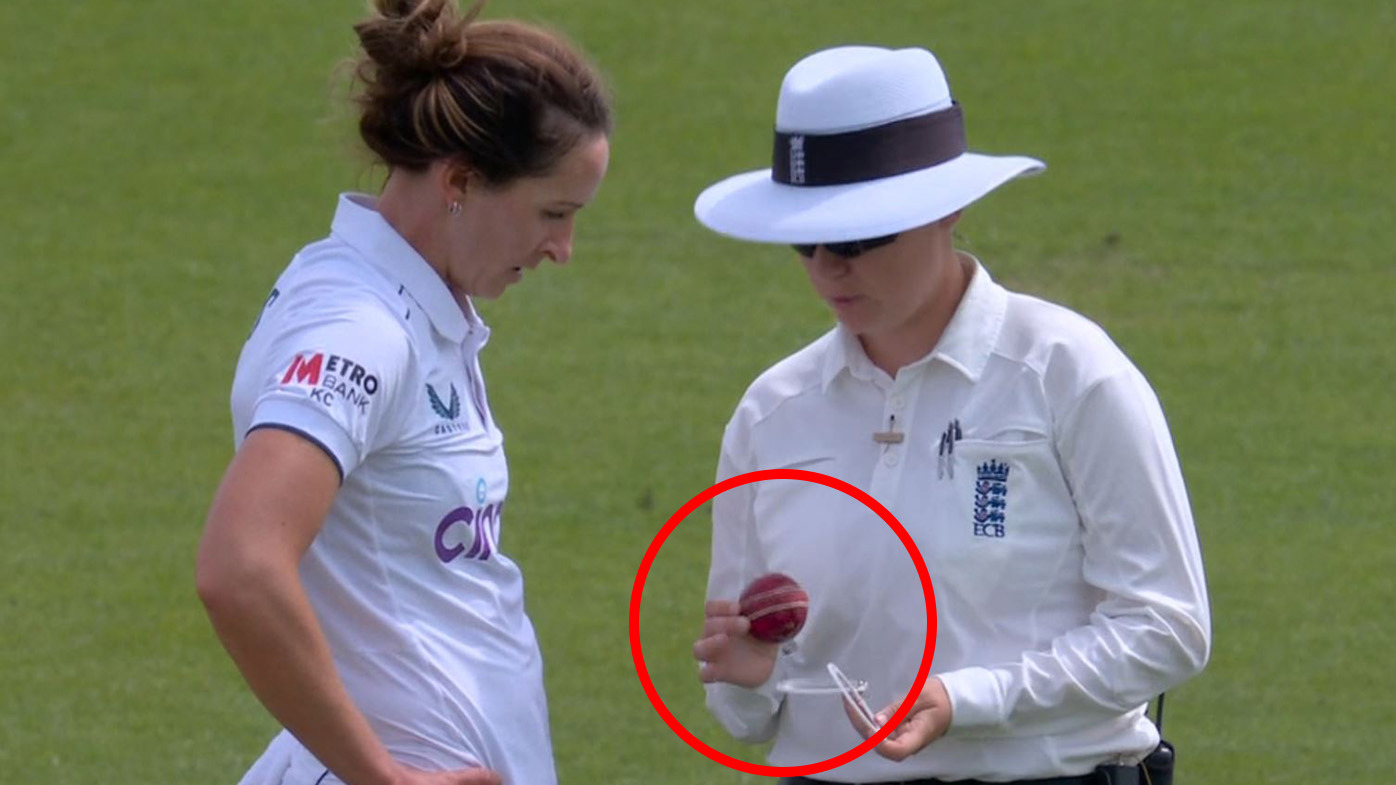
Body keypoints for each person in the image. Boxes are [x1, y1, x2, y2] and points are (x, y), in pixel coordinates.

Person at [690, 46, 1210, 784]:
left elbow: (1168, 628)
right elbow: (748, 716)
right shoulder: (771, 413)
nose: (828, 267)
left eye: (860, 237)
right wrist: (747, 676)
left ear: (949, 207)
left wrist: (970, 699)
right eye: (803, 241)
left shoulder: (1068, 372)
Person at [195, 1, 610, 783]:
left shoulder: (420, 305)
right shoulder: (361, 331)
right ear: (460, 180)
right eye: (553, 213)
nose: (563, 250)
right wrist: (382, 776)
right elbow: (240, 565)